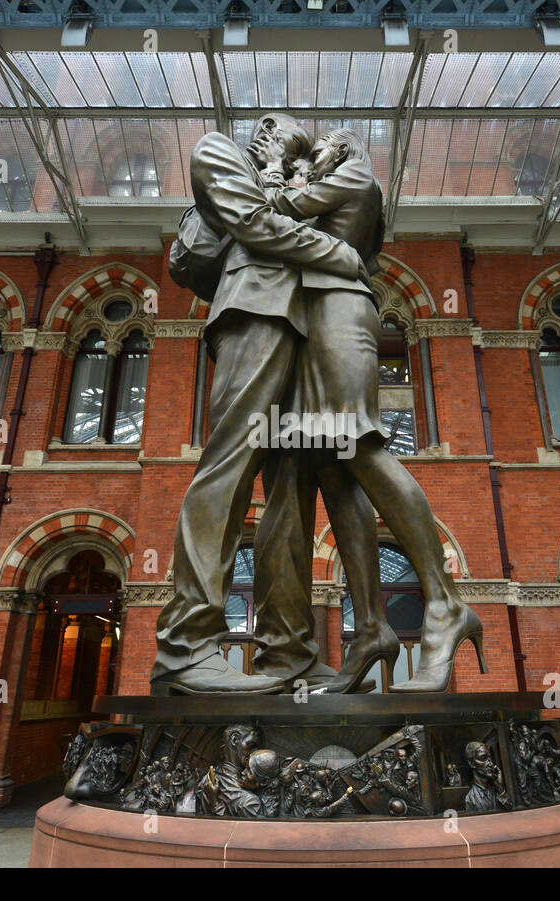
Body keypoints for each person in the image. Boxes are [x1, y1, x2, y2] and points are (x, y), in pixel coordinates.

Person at [253, 127, 483, 693]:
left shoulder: (356, 174)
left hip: (340, 315)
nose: (315, 154)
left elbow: (274, 210)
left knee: (356, 441)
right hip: (316, 320)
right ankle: (372, 629)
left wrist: (280, 165)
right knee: (335, 467)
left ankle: (445, 602)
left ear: (345, 147)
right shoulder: (337, 185)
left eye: (322, 146)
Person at [153, 115, 370, 695]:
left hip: (303, 330)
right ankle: (187, 645)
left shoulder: (290, 189)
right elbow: (238, 234)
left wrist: (285, 200)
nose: (271, 141)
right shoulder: (217, 151)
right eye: (274, 134)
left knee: (292, 494)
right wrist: (337, 254)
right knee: (229, 465)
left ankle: (289, 652)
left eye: (290, 146)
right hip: (253, 314)